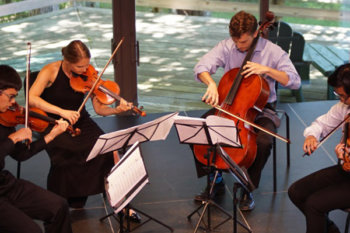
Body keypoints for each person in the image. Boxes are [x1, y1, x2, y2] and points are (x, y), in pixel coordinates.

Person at [193, 11, 301, 211]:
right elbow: (201, 66)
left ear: (255, 34)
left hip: (260, 108)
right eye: (236, 42)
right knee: (199, 131)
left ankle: (246, 187)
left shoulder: (273, 51)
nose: (239, 46)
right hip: (230, 104)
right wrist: (210, 84)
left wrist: (267, 70)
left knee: (263, 141)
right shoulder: (227, 46)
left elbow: (295, 81)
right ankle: (214, 182)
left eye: (243, 42)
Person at [28, 40, 136, 210]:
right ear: (67, 61)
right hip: (53, 123)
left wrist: (116, 110)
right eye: (80, 67)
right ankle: (61, 200)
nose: (85, 70)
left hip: (80, 120)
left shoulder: (88, 74)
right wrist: (62, 112)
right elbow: (31, 97)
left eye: (87, 65)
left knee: (107, 150)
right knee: (69, 154)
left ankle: (118, 202)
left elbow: (99, 110)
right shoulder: (51, 70)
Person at [0, 64, 72, 233]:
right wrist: (12, 139)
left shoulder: (4, 118)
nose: (13, 103)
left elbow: (21, 155)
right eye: (10, 97)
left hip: (4, 184)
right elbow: (8, 145)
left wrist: (50, 136)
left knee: (58, 207)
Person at [288, 64, 350, 233]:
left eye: (344, 96)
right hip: (346, 170)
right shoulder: (344, 108)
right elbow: (322, 123)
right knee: (296, 192)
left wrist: (346, 156)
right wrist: (312, 135)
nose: (342, 101)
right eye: (339, 95)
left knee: (314, 205)